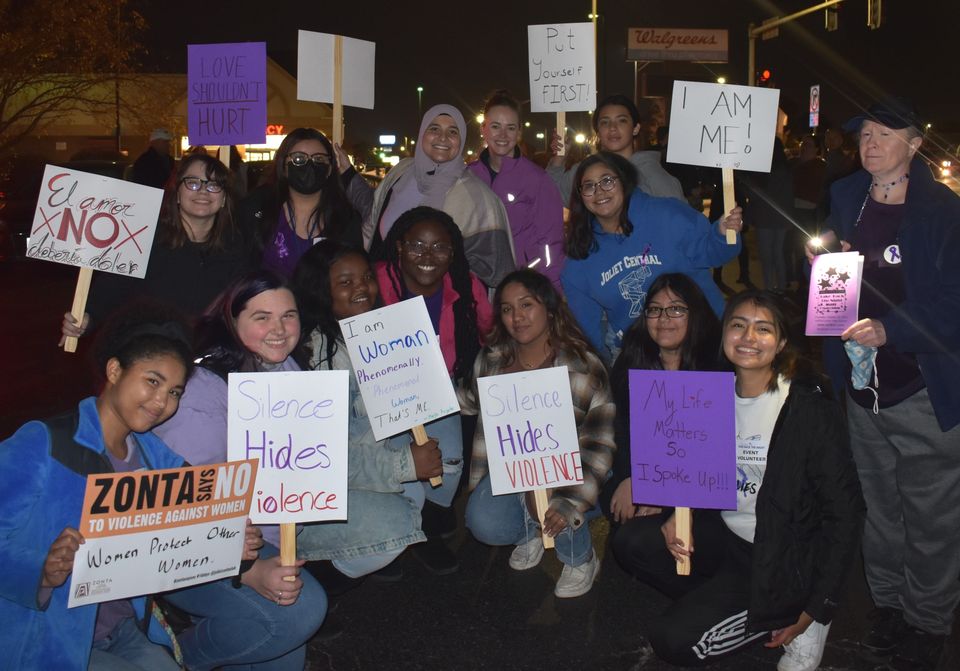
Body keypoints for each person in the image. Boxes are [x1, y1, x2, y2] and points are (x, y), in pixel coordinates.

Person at [613, 290, 864, 670]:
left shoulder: (807, 409)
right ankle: (731, 602)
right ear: (724, 333)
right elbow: (694, 467)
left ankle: (788, 616)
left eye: (763, 329)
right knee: (632, 541)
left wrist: (817, 607)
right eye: (738, 325)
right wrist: (682, 513)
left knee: (672, 640)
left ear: (780, 343)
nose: (748, 337)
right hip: (729, 538)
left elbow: (846, 513)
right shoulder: (709, 395)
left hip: (781, 555)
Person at [811, 97, 960, 670]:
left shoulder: (943, 213)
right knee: (879, 508)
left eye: (884, 134)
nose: (869, 144)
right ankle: (891, 604)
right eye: (864, 134)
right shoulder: (847, 197)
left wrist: (892, 329)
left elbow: (954, 304)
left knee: (931, 516)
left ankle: (928, 619)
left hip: (919, 387)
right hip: (860, 384)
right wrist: (827, 267)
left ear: (916, 143)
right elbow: (824, 271)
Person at [1, 305, 196, 668]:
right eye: (152, 381)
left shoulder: (155, 456)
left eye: (175, 392)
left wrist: (237, 539)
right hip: (44, 634)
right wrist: (41, 570)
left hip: (122, 626)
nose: (162, 402)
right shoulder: (44, 442)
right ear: (114, 370)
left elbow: (202, 508)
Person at [152, 272, 327, 669]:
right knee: (297, 612)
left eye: (289, 315)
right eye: (262, 317)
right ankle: (175, 657)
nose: (280, 330)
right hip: (193, 548)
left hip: (269, 533)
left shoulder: (286, 370)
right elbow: (183, 505)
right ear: (232, 321)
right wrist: (246, 569)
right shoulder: (199, 392)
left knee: (283, 642)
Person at [292, 240, 441, 580]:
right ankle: (326, 577)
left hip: (364, 457)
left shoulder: (380, 333)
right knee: (401, 512)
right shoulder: (319, 354)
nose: (361, 287)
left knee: (413, 492)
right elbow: (325, 456)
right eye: (345, 282)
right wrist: (403, 463)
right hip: (322, 479)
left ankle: (360, 549)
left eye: (366, 277)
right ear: (321, 291)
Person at [462, 269, 615, 598]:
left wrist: (568, 502)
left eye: (526, 305)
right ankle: (530, 529)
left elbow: (600, 445)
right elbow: (469, 400)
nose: (517, 317)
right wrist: (418, 394)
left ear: (549, 308)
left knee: (557, 491)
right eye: (506, 309)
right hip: (516, 474)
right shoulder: (491, 362)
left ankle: (580, 558)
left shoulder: (582, 368)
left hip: (577, 471)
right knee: (483, 520)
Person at [377, 206, 494, 573]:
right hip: (381, 396)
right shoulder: (376, 281)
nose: (428, 256)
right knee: (400, 472)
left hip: (441, 393)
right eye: (417, 246)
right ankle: (397, 535)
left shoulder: (464, 283)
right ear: (399, 247)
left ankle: (422, 528)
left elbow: (489, 331)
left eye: (440, 247)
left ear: (453, 252)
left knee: (449, 469)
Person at [561, 151, 743, 362]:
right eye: (589, 186)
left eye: (607, 181)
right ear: (580, 195)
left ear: (625, 181)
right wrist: (603, 368)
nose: (599, 191)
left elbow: (715, 254)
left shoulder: (668, 214)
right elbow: (587, 329)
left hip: (702, 341)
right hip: (642, 356)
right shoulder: (581, 255)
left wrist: (722, 234)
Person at [61, 152, 255, 344]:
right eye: (193, 183)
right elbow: (110, 290)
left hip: (209, 359)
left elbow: (244, 305)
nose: (203, 191)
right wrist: (87, 317)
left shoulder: (236, 248)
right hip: (151, 351)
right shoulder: (143, 240)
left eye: (213, 185)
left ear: (223, 199)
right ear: (177, 193)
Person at [353, 104, 516, 288]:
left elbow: (496, 271)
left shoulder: (478, 197)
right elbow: (371, 226)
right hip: (387, 296)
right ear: (423, 133)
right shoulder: (400, 173)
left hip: (443, 305)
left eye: (453, 132)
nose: (443, 137)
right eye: (434, 129)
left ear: (461, 140)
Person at [602, 273, 720, 522]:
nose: (663, 318)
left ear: (695, 313)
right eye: (654, 310)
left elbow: (713, 451)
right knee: (621, 516)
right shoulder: (631, 361)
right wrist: (631, 478)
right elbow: (622, 431)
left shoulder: (716, 366)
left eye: (676, 309)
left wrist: (663, 492)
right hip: (644, 471)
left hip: (700, 484)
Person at [467, 90, 565, 286]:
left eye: (510, 128)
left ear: (519, 132)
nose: (503, 135)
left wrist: (545, 291)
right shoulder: (468, 176)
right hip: (475, 286)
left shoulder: (537, 180)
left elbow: (551, 244)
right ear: (483, 128)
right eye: (495, 126)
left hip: (522, 286)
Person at [238, 127, 362, 278]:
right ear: (283, 166)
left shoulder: (346, 219)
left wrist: (350, 174)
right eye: (298, 159)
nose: (309, 165)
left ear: (330, 168)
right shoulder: (256, 211)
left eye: (319, 159)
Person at [547, 94, 685, 205]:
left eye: (622, 120)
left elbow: (682, 223)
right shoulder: (586, 171)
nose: (612, 127)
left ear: (635, 128)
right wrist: (559, 159)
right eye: (605, 122)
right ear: (598, 132)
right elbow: (552, 196)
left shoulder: (654, 176)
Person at [742, 137, 793, 291]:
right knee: (778, 253)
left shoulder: (764, 171)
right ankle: (781, 288)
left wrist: (745, 182)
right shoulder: (786, 168)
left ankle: (769, 288)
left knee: (766, 256)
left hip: (765, 217)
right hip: (782, 217)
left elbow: (755, 194)